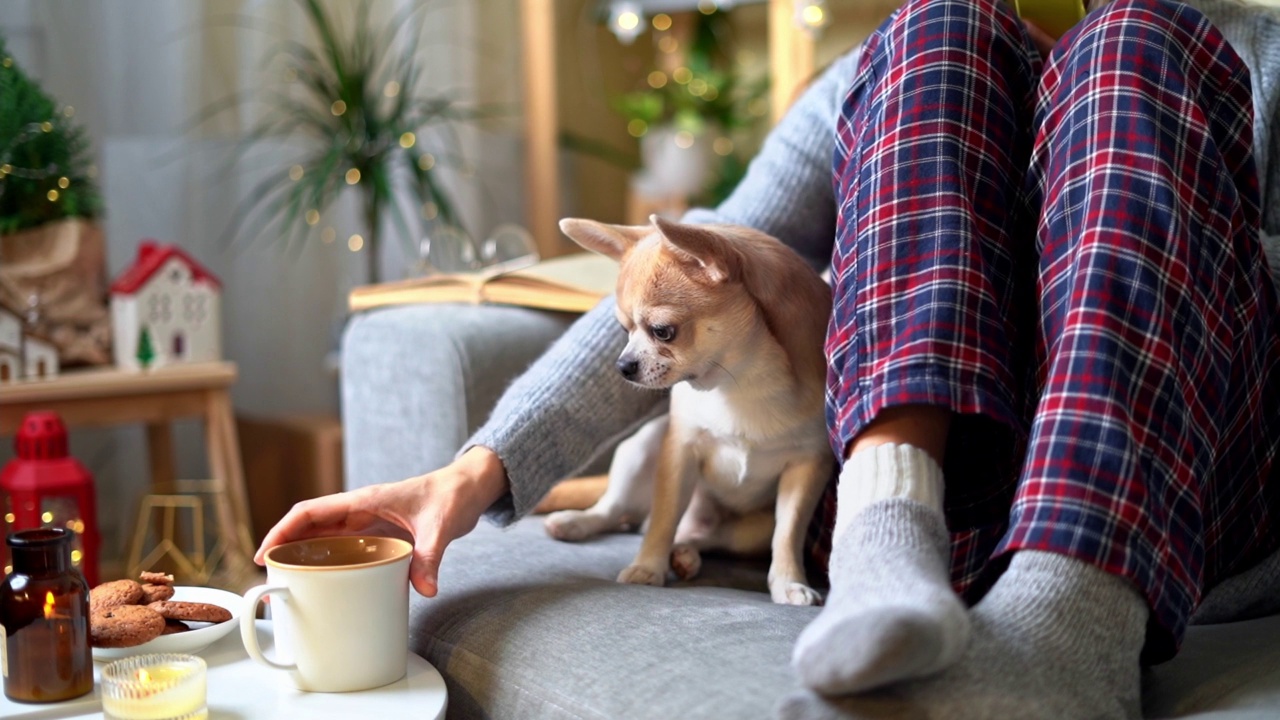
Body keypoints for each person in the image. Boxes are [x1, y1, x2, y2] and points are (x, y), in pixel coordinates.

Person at [258, 0, 1280, 716]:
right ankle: (891, 543)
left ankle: (1073, 618)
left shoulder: (1244, 53)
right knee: (937, 26)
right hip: (951, 501)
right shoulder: (902, 68)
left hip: (1168, 500)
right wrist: (470, 473)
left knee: (1136, 42)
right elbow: (688, 262)